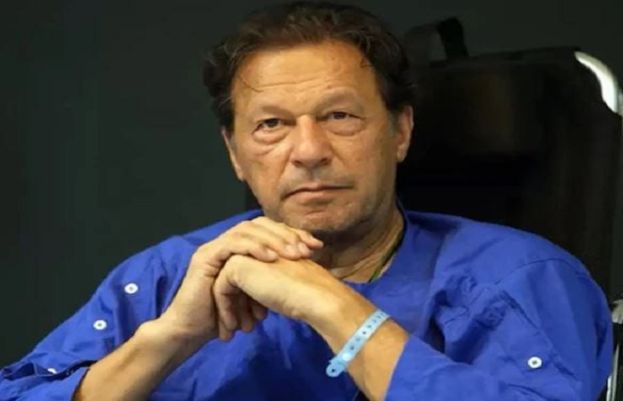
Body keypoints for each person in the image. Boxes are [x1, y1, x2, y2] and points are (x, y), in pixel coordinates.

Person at [0, 2, 613, 400]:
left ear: (399, 131)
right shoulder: (168, 275)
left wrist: (333, 306)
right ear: (236, 153)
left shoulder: (521, 277)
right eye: (271, 125)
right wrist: (168, 339)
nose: (309, 151)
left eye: (340, 116)